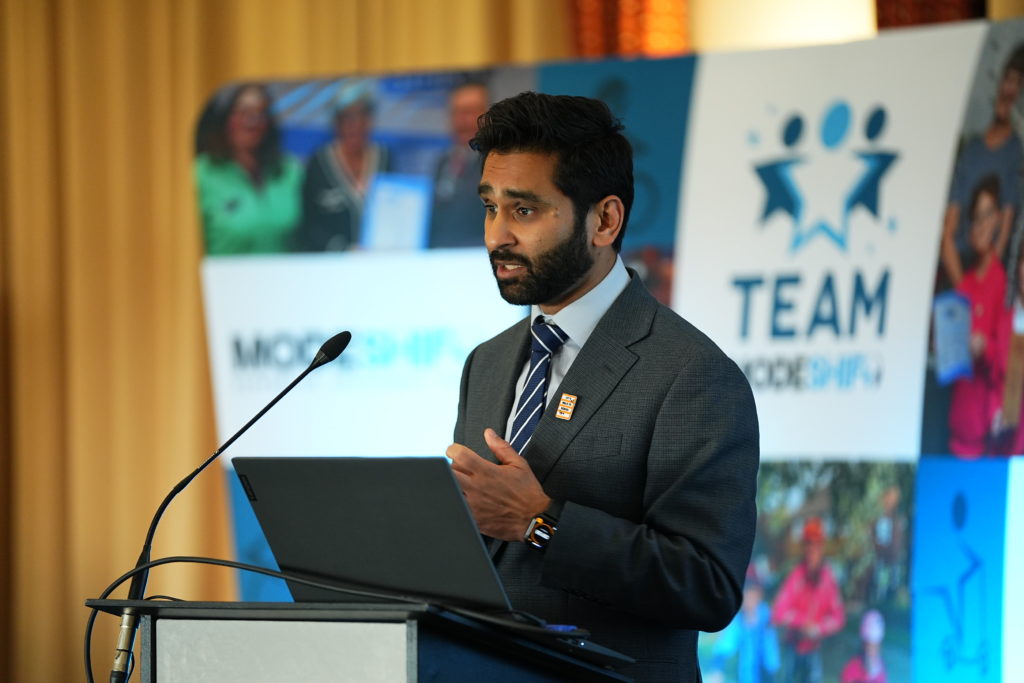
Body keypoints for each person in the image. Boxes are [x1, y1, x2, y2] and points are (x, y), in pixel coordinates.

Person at [445, 92, 760, 682]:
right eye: (490, 208)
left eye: (524, 211)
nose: (496, 237)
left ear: (605, 220)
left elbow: (708, 586)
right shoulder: (485, 364)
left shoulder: (692, 374)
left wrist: (541, 523)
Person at [939, 44, 1024, 288]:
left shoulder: (1016, 151)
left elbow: (1005, 231)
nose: (1010, 92)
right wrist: (963, 287)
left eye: (1019, 86)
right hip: (955, 268)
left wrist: (981, 291)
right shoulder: (971, 150)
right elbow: (949, 229)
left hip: (989, 275)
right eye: (1008, 80)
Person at [194, 83, 304, 255]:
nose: (252, 122)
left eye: (260, 113)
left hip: (286, 279)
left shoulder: (290, 172)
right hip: (224, 280)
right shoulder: (202, 174)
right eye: (243, 113)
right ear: (226, 119)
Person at [948, 175, 1007, 457]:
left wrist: (986, 346)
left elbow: (1013, 359)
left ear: (998, 220)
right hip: (960, 427)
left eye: (988, 215)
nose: (982, 225)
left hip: (993, 434)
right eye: (976, 217)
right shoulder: (965, 286)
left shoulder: (1006, 284)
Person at [296, 80, 390, 251]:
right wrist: (342, 251)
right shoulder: (319, 164)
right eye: (346, 117)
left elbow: (397, 215)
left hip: (380, 265)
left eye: (361, 115)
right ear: (335, 122)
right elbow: (309, 224)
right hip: (332, 268)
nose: (353, 124)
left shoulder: (385, 159)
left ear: (370, 120)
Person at [771, 517, 846, 683]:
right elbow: (778, 611)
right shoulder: (796, 577)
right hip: (793, 646)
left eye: (816, 544)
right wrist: (802, 623)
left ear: (821, 547)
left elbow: (838, 618)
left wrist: (818, 629)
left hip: (814, 649)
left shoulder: (828, 580)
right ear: (804, 547)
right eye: (809, 544)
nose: (812, 549)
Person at [428, 81, 490, 248]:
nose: (462, 120)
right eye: (456, 112)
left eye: (469, 112)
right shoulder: (442, 162)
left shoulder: (496, 165)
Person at [707, 566, 781, 683]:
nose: (749, 599)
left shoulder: (767, 618)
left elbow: (771, 653)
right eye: (747, 595)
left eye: (753, 595)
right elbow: (725, 645)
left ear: (759, 595)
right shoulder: (739, 620)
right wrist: (717, 668)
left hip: (765, 675)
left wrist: (771, 672)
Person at [839, 609, 887, 683]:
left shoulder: (880, 670)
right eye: (869, 645)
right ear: (863, 645)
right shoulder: (852, 667)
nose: (871, 650)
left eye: (875, 646)